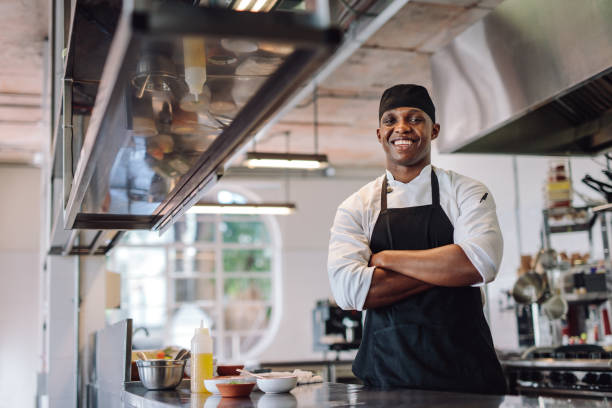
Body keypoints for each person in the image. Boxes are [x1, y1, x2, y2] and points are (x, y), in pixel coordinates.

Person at [327, 84, 507, 394]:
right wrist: (449, 267)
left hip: (466, 379)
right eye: (390, 120)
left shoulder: (467, 191)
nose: (402, 128)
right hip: (387, 380)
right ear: (380, 133)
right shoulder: (357, 206)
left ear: (434, 130)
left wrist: (387, 259)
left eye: (414, 118)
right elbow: (349, 291)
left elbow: (482, 264)